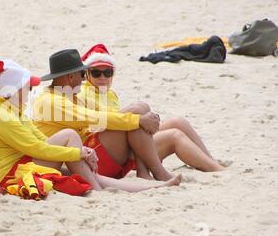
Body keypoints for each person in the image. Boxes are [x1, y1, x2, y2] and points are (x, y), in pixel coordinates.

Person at [0, 57, 180, 193]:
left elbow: (38, 141)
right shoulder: (6, 115)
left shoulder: (10, 109)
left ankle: (154, 186)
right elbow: (37, 148)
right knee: (72, 137)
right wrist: (77, 151)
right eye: (26, 88)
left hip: (22, 161)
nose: (29, 92)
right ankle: (100, 191)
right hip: (8, 173)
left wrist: (79, 152)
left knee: (81, 156)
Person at [32, 49, 182, 185]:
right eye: (83, 74)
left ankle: (145, 171)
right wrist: (138, 120)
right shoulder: (51, 102)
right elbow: (95, 118)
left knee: (139, 107)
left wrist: (140, 116)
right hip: (78, 161)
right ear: (71, 77)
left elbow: (104, 112)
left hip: (87, 153)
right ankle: (156, 171)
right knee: (137, 117)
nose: (84, 80)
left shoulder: (69, 95)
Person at [79, 44, 225, 180]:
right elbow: (93, 126)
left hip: (121, 149)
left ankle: (213, 165)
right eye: (96, 73)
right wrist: (137, 120)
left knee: (178, 123)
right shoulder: (82, 92)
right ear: (87, 74)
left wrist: (138, 122)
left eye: (107, 72)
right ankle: (154, 170)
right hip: (96, 153)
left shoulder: (110, 94)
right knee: (140, 111)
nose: (103, 78)